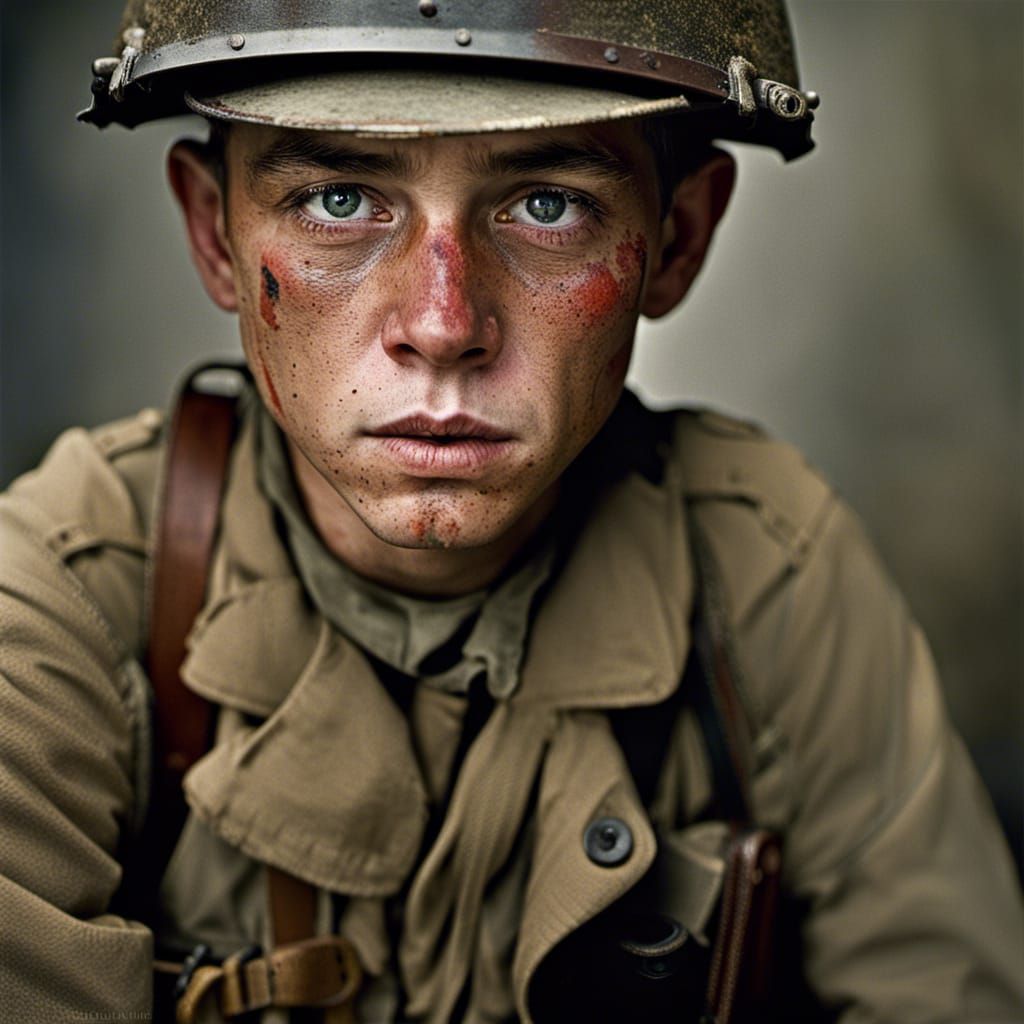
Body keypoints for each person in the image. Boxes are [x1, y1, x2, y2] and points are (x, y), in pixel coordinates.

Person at [1, 3, 1022, 1023]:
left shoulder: (765, 570)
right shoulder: (64, 599)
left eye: (545, 206)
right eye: (340, 196)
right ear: (213, 235)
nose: (442, 324)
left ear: (677, 239)